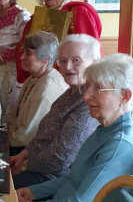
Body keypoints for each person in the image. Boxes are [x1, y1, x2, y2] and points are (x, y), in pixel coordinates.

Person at [17, 53, 133, 202]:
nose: (86, 96)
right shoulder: (104, 130)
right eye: (86, 87)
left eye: (98, 89)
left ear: (124, 96)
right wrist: (33, 192)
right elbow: (72, 178)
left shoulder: (120, 144)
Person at [10, 34, 100, 188]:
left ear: (94, 62)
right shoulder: (70, 93)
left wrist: (25, 164)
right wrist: (23, 154)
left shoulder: (88, 104)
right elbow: (43, 135)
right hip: (38, 169)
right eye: (63, 61)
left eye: (76, 60)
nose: (67, 66)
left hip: (56, 181)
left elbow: (61, 158)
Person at [9, 31, 68, 156]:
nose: (22, 57)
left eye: (28, 53)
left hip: (32, 152)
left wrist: (0, 141)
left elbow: (28, 136)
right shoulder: (33, 78)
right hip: (19, 143)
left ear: (45, 60)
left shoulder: (46, 90)